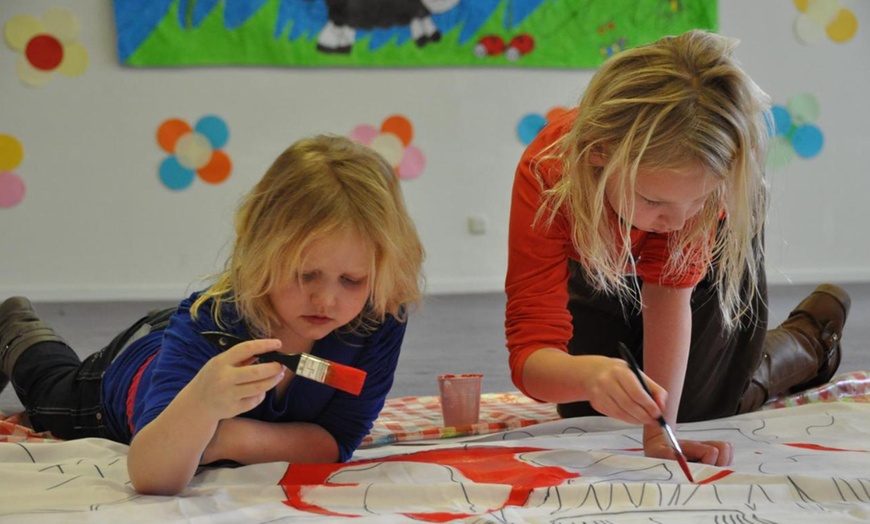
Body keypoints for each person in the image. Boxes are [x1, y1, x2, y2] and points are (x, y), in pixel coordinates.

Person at [0, 135, 425, 495]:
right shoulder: (210, 322)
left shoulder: (378, 317)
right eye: (305, 275)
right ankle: (16, 329)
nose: (327, 300)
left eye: (351, 280)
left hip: (209, 326)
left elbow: (336, 441)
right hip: (131, 373)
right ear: (260, 252)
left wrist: (226, 437)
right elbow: (151, 476)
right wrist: (201, 405)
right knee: (50, 390)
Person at [505, 30, 850, 468]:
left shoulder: (699, 200)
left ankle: (807, 341)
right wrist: (590, 378)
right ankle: (784, 346)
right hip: (599, 248)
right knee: (590, 407)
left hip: (701, 251)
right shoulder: (548, 175)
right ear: (598, 155)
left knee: (693, 410)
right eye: (654, 200)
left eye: (701, 197)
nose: (679, 220)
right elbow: (532, 354)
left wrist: (660, 434)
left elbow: (668, 295)